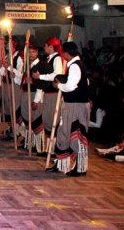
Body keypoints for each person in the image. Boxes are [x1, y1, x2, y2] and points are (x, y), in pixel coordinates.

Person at [46, 42, 90, 176]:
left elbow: (71, 86)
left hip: (76, 106)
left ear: (65, 53)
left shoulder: (75, 66)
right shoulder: (77, 65)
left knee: (74, 136)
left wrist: (58, 86)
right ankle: (61, 163)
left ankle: (80, 167)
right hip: (72, 104)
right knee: (63, 133)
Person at [32, 37, 64, 139]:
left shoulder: (57, 58)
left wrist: (40, 76)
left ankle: (54, 143)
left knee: (53, 118)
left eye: (45, 45)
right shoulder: (47, 59)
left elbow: (56, 75)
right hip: (46, 93)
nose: (44, 47)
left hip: (54, 93)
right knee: (46, 118)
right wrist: (37, 99)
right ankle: (49, 143)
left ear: (51, 47)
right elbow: (42, 82)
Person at [18, 44, 46, 153]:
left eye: (33, 52)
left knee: (35, 119)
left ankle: (37, 145)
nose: (31, 54)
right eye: (29, 52)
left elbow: (41, 84)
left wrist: (36, 100)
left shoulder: (40, 65)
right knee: (27, 118)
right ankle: (29, 143)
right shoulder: (27, 65)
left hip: (34, 94)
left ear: (37, 53)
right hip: (26, 93)